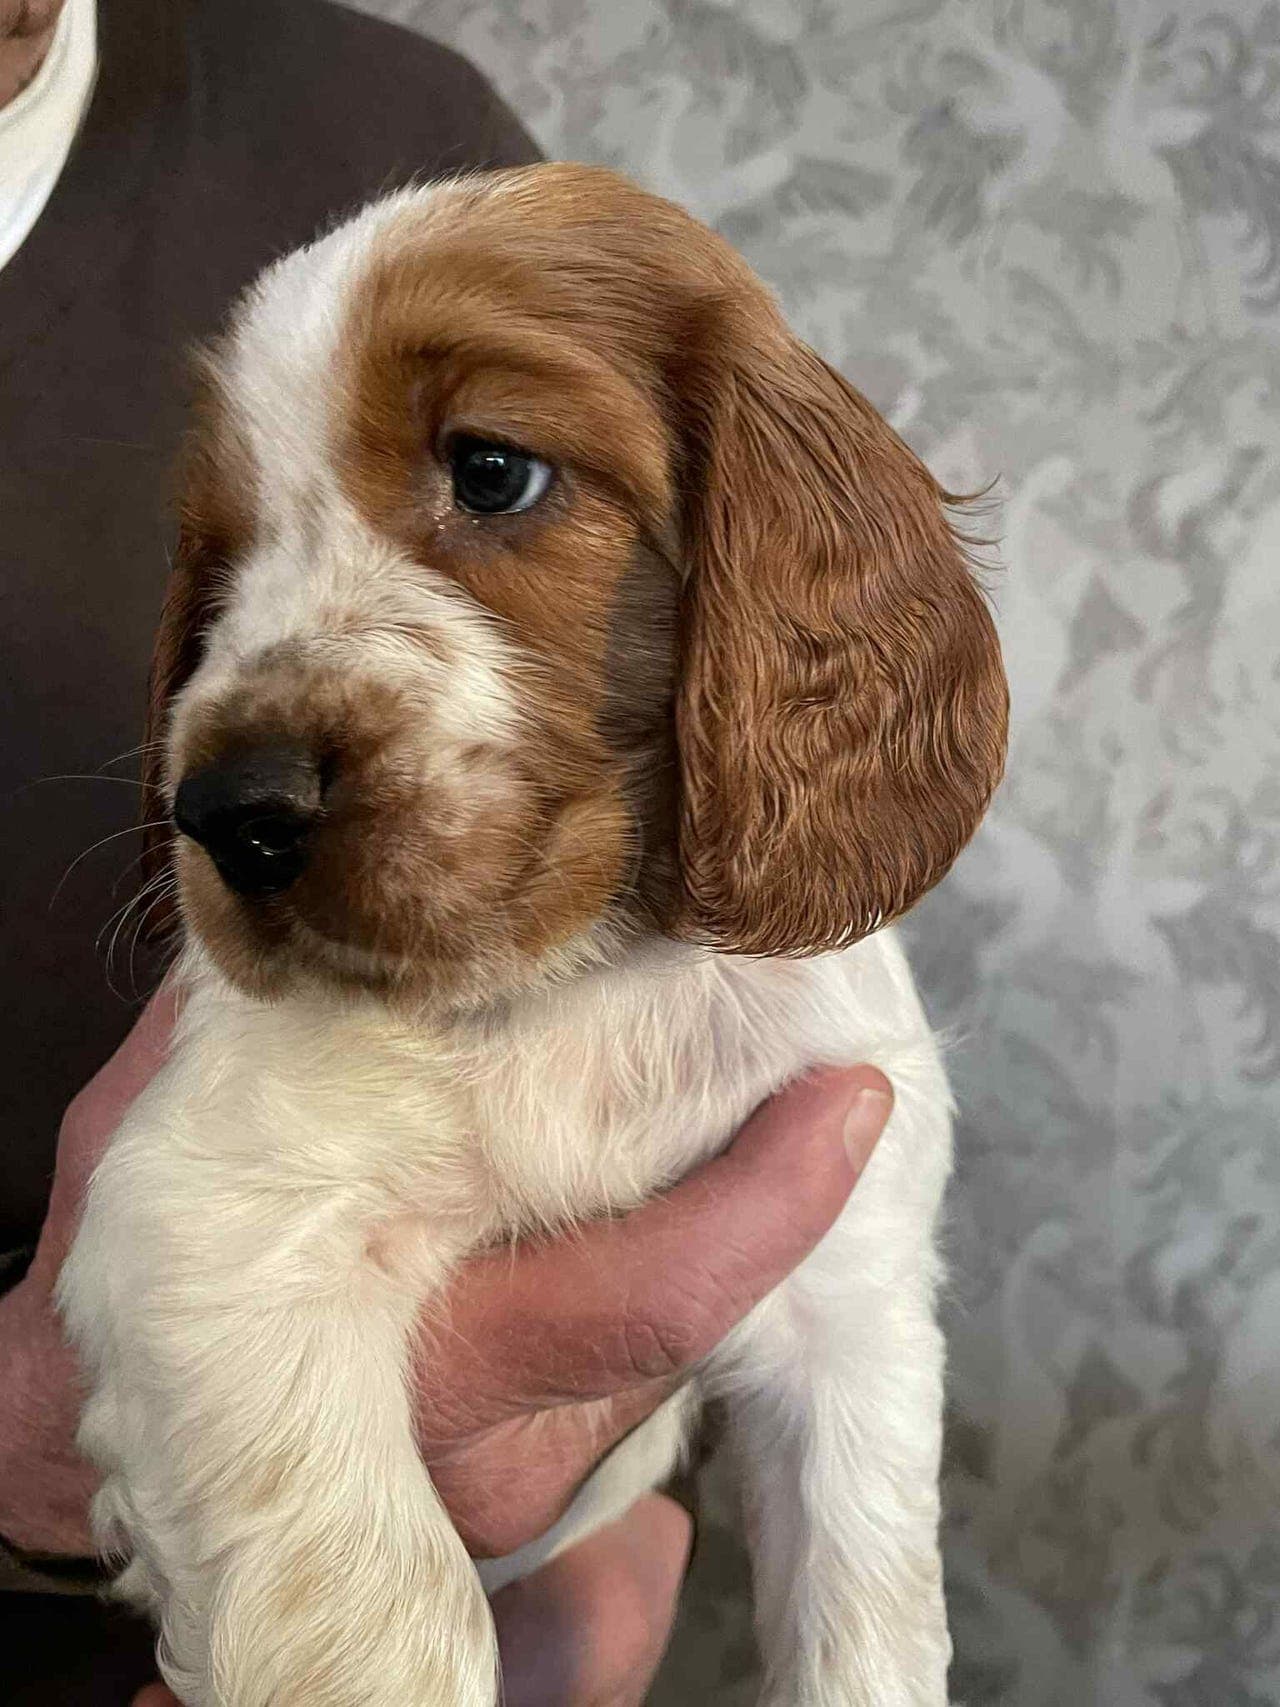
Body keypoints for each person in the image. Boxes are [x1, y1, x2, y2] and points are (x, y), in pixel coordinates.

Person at [0, 2, 895, 1702]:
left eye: (488, 473)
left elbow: (808, 1300)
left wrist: (609, 1518)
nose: (232, 719)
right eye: (227, 570)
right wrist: (30, 1449)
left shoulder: (381, 111)